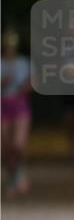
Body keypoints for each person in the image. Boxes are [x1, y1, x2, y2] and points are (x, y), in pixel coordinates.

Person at [1, 28, 33, 199]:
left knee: (18, 145)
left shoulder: (23, 62)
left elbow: (32, 81)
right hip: (2, 104)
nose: (9, 48)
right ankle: (11, 177)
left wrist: (26, 86)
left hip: (19, 104)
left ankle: (19, 172)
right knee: (5, 147)